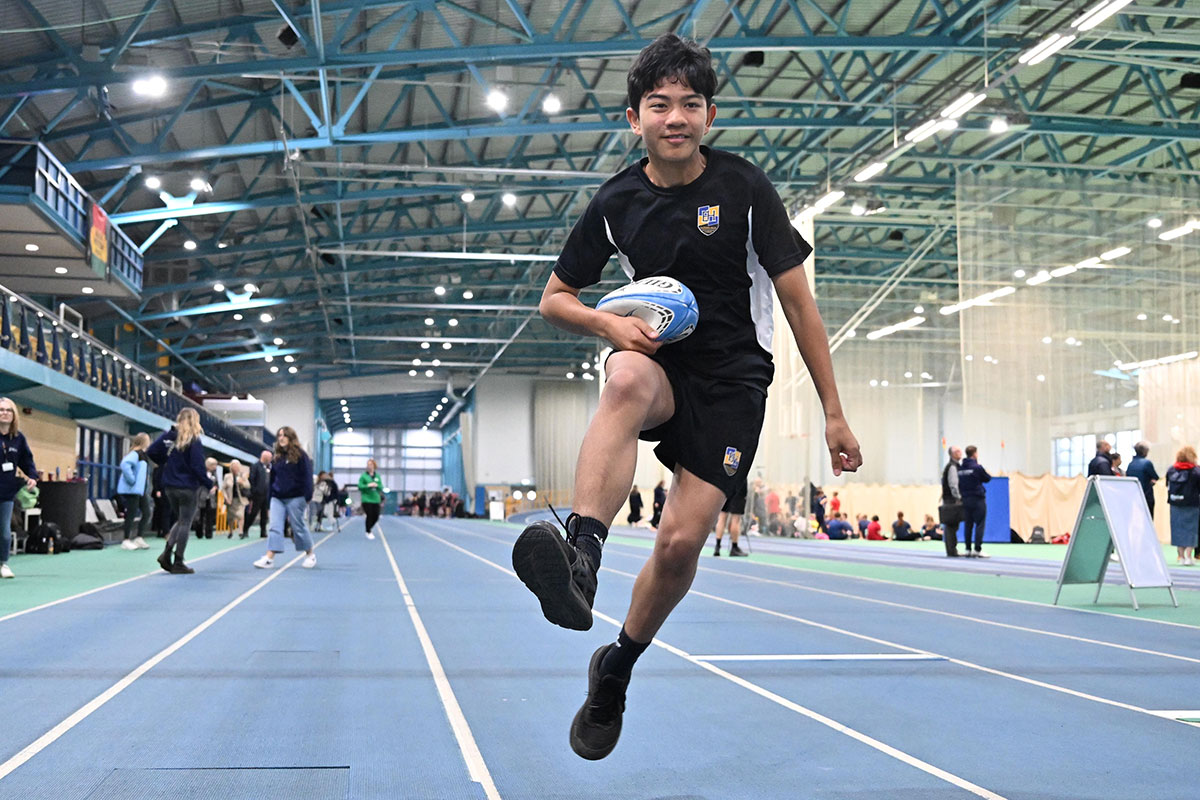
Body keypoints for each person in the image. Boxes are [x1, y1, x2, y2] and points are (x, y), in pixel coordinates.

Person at [508, 33, 861, 762]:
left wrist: (832, 410)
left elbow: (800, 306)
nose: (676, 117)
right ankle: (582, 559)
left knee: (677, 543)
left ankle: (615, 670)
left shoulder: (745, 189)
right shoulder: (617, 202)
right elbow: (554, 299)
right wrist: (607, 324)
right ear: (632, 117)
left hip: (735, 382)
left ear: (710, 115)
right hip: (664, 365)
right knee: (624, 375)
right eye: (659, 105)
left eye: (691, 104)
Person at [146, 408, 213, 574]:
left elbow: (151, 451)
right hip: (187, 486)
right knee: (185, 522)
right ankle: (178, 561)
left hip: (169, 486)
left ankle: (166, 554)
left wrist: (165, 462)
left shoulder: (168, 436)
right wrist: (208, 483)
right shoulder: (194, 440)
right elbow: (197, 466)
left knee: (181, 520)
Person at [253, 426, 316, 569]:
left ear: (290, 437)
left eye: (284, 435)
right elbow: (273, 479)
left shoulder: (301, 456)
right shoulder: (277, 458)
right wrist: (270, 499)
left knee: (297, 527)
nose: (281, 438)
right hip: (277, 497)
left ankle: (310, 554)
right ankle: (269, 558)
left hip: (296, 497)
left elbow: (307, 478)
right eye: (279, 435)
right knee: (274, 526)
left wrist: (307, 496)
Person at [0, 396, 39, 579]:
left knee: (5, 532)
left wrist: (32, 476)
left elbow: (26, 460)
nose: (4, 413)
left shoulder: (18, 438)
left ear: (14, 414)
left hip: (6, 492)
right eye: (1, 410)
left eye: (8, 410)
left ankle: (3, 564)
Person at [116, 432, 153, 550]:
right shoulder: (135, 454)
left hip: (140, 491)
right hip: (132, 490)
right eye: (148, 440)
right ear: (144, 441)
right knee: (131, 514)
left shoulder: (143, 455)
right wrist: (132, 480)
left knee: (147, 512)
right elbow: (125, 464)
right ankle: (126, 540)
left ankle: (139, 538)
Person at [1165, 447, 1200, 566]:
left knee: (1177, 529)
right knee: (1191, 530)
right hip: (1192, 504)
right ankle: (1189, 557)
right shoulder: (1196, 471)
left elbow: (1167, 485)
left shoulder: (1171, 469)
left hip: (1175, 503)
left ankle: (1181, 556)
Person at [958, 445, 991, 558]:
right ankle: (977, 549)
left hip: (965, 499)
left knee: (968, 524)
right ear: (975, 454)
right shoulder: (977, 468)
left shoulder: (961, 469)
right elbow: (987, 478)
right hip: (977, 499)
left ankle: (967, 549)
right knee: (980, 524)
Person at [939, 446, 964, 557]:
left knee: (952, 526)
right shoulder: (952, 467)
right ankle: (951, 550)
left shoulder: (954, 466)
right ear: (952, 454)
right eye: (958, 451)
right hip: (951, 500)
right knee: (951, 526)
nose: (960, 453)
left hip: (950, 499)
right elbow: (953, 485)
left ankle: (952, 549)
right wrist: (958, 497)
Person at [712, 479, 747, 556]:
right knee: (736, 519)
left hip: (726, 483)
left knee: (722, 518)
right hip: (739, 485)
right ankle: (734, 547)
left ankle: (717, 546)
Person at [1125, 442, 1160, 519]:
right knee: (1148, 518)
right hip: (1146, 495)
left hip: (1133, 496)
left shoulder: (1131, 464)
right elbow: (1156, 477)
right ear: (1145, 451)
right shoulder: (1147, 463)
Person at [244, 449, 272, 538]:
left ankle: (263, 531)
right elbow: (252, 479)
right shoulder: (255, 466)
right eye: (270, 458)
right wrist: (254, 491)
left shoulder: (269, 468)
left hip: (266, 494)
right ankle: (246, 530)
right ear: (265, 457)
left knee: (264, 514)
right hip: (257, 495)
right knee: (253, 513)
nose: (271, 460)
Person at [222, 459, 250, 539]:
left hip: (240, 499)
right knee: (230, 517)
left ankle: (240, 531)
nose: (236, 468)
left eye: (237, 466)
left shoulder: (242, 476)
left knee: (240, 515)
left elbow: (248, 485)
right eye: (234, 466)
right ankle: (230, 531)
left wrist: (242, 482)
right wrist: (226, 497)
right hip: (230, 499)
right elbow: (223, 488)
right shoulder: (227, 476)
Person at [358, 458, 384, 540]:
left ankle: (369, 527)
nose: (369, 466)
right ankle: (368, 531)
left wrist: (376, 485)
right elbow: (360, 486)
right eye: (368, 464)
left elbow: (381, 487)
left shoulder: (377, 476)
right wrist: (368, 485)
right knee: (369, 515)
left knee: (376, 516)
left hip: (376, 499)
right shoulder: (363, 476)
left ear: (374, 466)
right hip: (366, 499)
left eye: (371, 464)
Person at [194, 457, 219, 539]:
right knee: (199, 515)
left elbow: (216, 484)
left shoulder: (214, 474)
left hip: (211, 498)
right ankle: (199, 533)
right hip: (201, 496)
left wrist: (215, 488)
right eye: (213, 465)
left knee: (210, 516)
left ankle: (209, 534)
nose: (215, 467)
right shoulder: (201, 472)